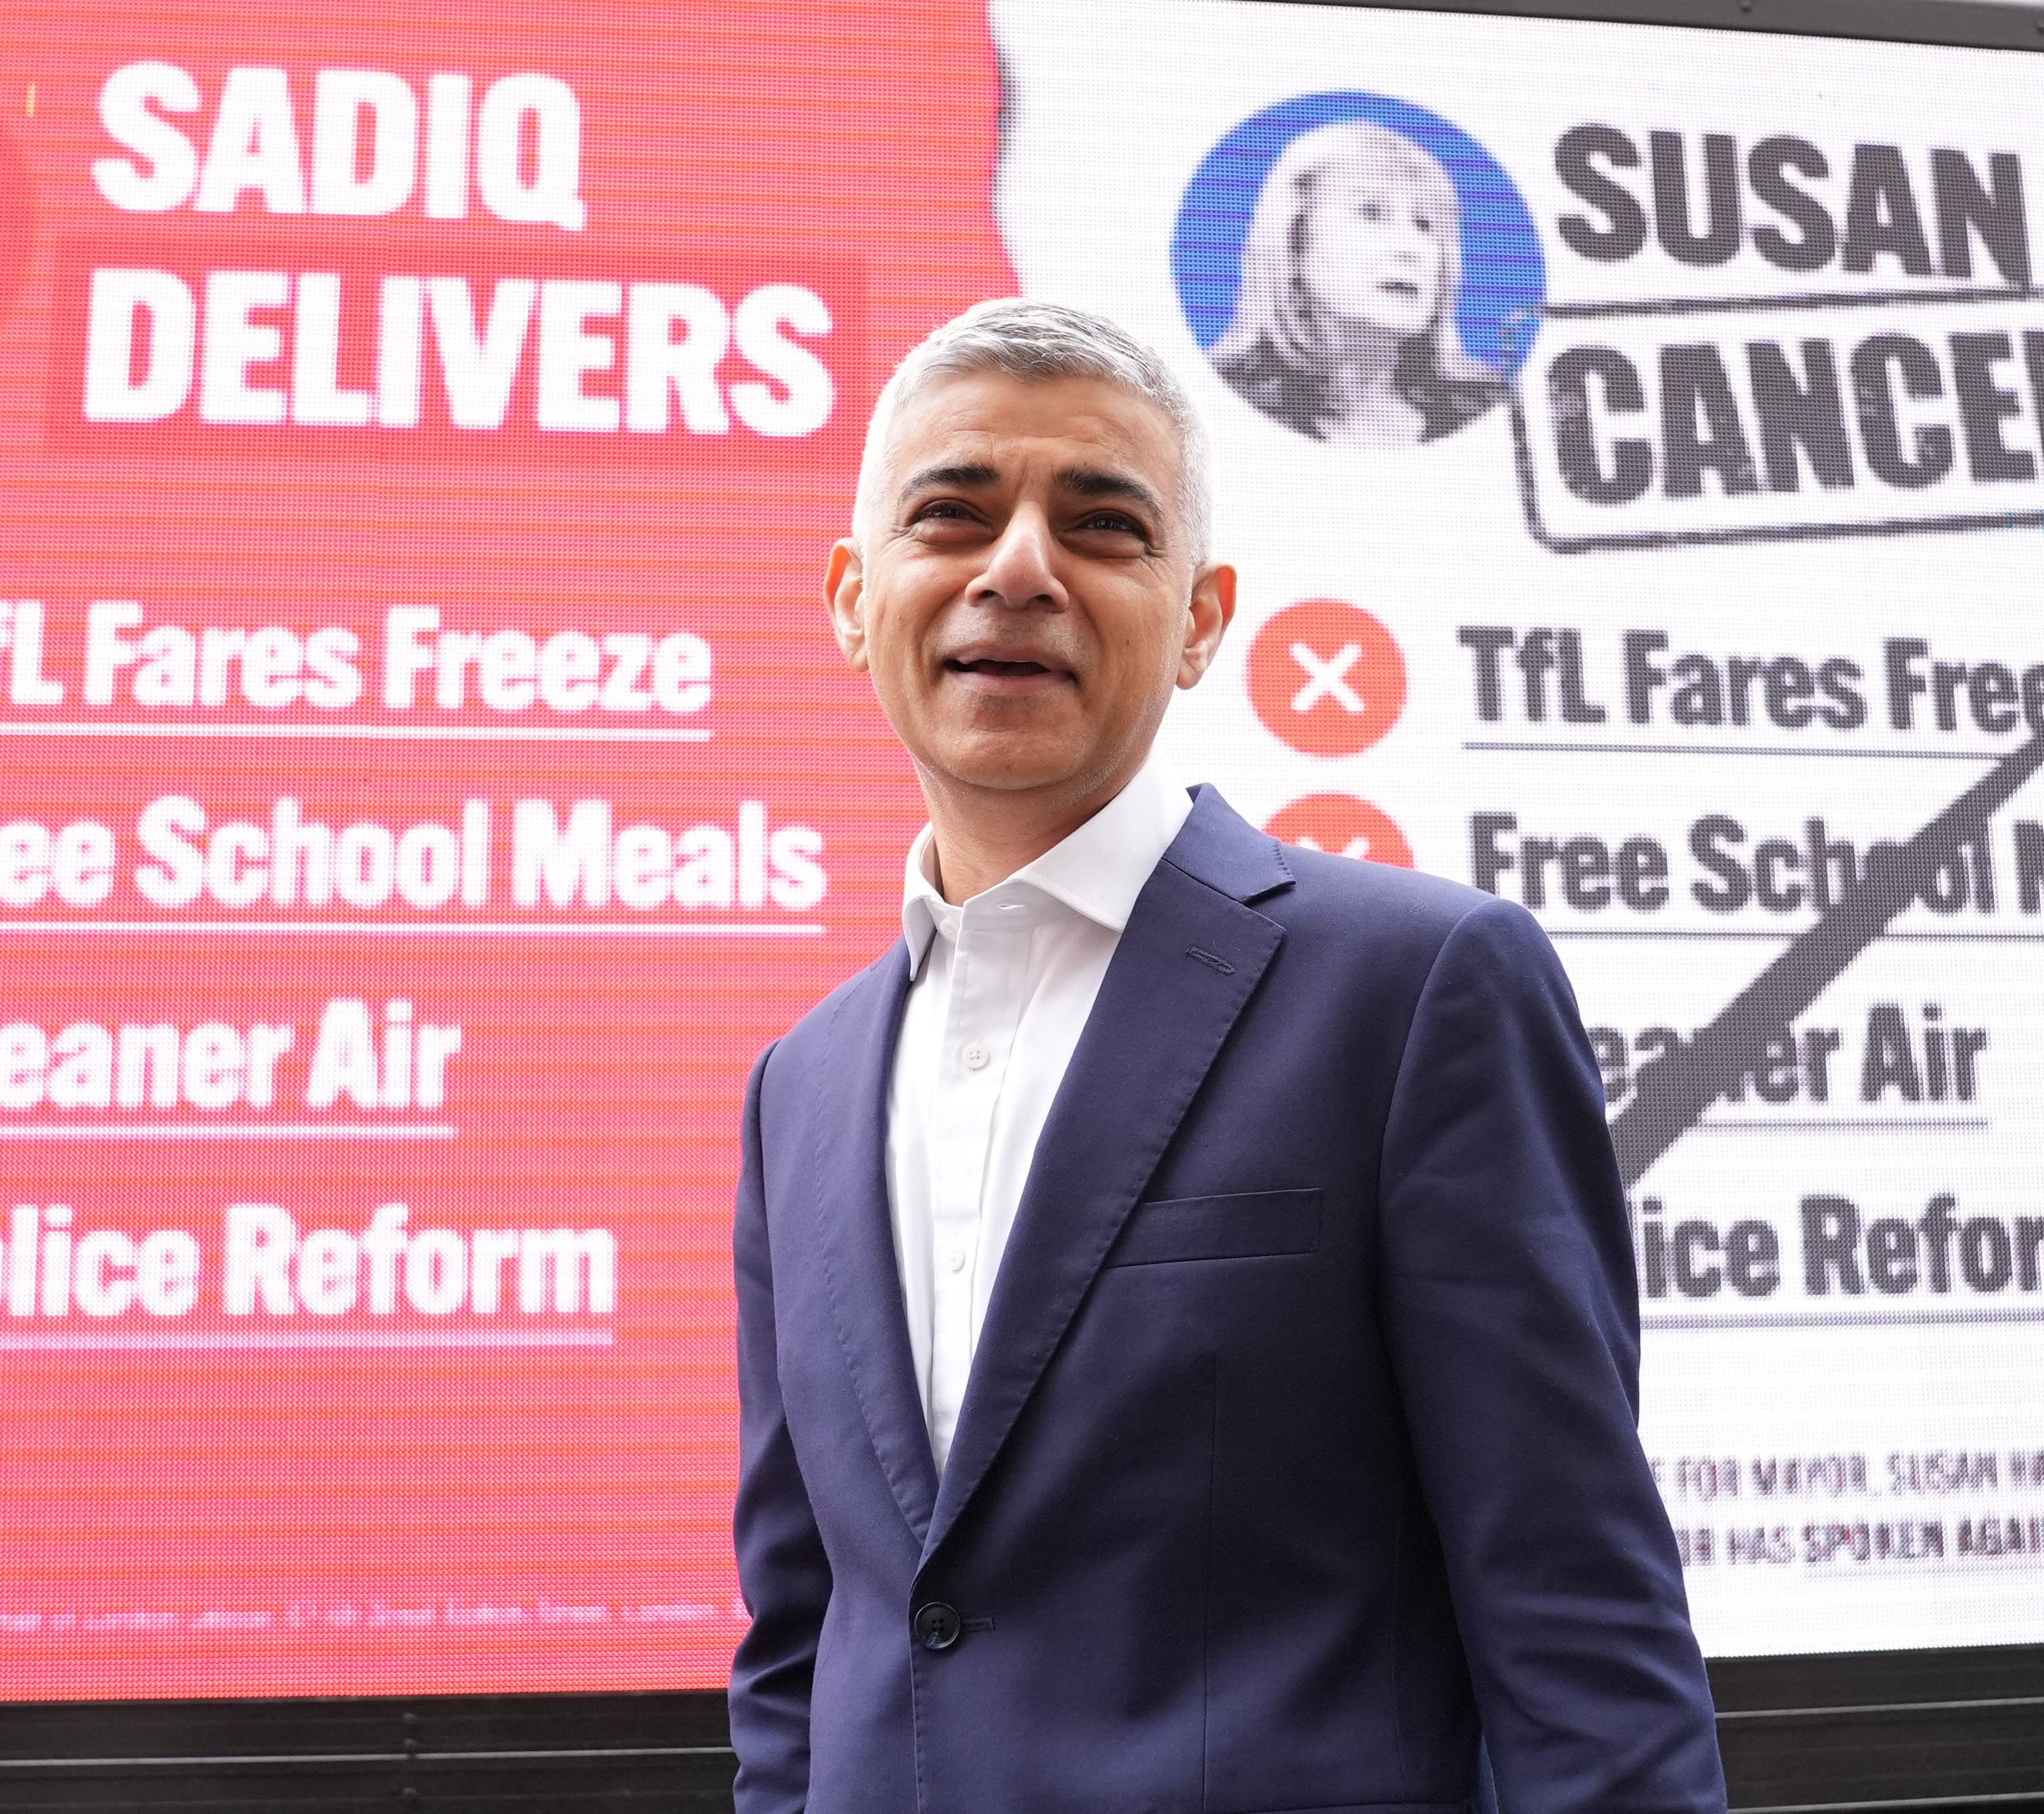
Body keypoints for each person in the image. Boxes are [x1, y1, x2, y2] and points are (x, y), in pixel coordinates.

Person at [728, 297, 1724, 1813]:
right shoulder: (794, 1087)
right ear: (850, 599)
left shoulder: (1413, 991)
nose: (1016, 569)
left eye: (1102, 525)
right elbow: (805, 1643)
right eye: (952, 514)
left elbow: (1572, 1612)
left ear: (1199, 618)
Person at [1209, 118, 1507, 446]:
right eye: (1371, 213)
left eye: (1425, 224)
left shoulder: (1494, 409)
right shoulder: (1207, 400)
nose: (1411, 249)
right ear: (1294, 248)